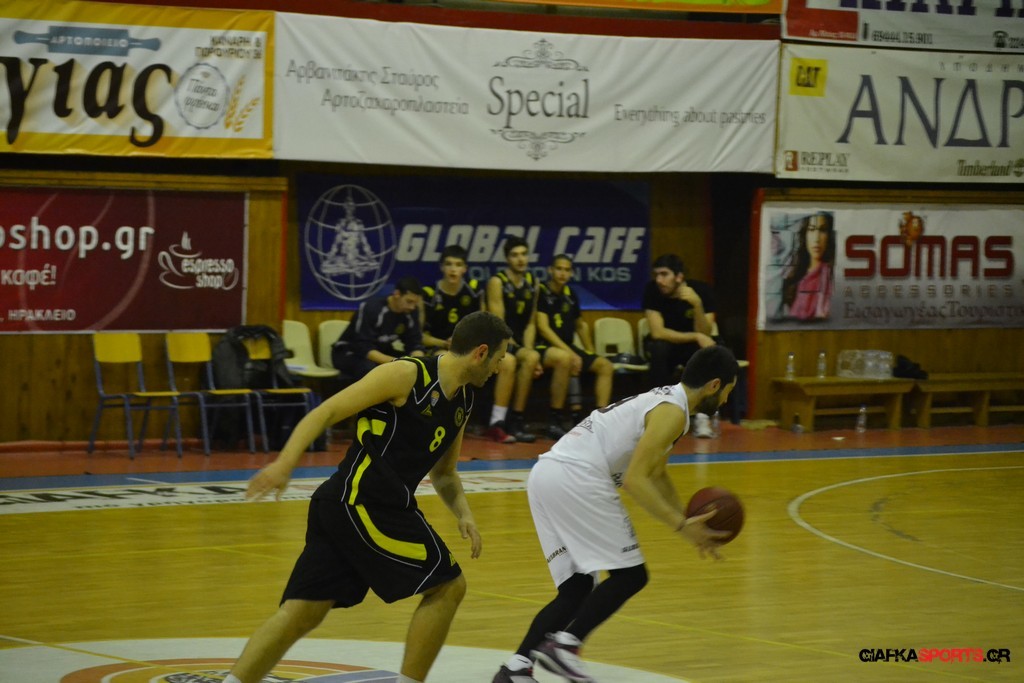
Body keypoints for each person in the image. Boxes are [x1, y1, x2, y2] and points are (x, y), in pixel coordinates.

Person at [225, 311, 514, 683]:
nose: (500, 368)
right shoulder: (406, 374)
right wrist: (284, 463)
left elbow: (444, 473)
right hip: (362, 503)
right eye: (500, 358)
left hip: (348, 506)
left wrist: (464, 513)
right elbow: (326, 411)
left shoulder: (463, 401)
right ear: (481, 352)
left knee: (302, 613)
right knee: (448, 586)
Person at [492, 345, 739, 683]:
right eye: (728, 391)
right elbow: (636, 480)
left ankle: (516, 668)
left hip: (547, 474)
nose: (726, 400)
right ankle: (566, 646)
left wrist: (687, 520)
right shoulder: (672, 412)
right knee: (631, 576)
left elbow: (657, 474)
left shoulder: (666, 401)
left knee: (577, 588)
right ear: (714, 385)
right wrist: (681, 525)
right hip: (578, 477)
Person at [535, 254, 614, 435]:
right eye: (559, 269)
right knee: (566, 359)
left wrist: (590, 351)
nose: (562, 273)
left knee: (605, 366)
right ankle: (555, 419)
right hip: (544, 346)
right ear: (550, 270)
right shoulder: (541, 292)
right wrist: (571, 353)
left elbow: (580, 325)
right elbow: (543, 328)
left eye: (567, 270)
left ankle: (600, 420)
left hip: (568, 346)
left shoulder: (571, 294)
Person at [642, 254, 718, 437]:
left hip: (693, 346)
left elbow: (705, 332)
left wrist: (697, 305)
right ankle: (659, 413)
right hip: (669, 343)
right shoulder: (652, 290)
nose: (659, 280)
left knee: (710, 351)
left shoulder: (702, 291)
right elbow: (658, 332)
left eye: (664, 274)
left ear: (679, 277)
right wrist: (695, 336)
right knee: (658, 348)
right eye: (656, 275)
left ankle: (702, 416)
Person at [486, 236, 544, 443]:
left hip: (518, 343)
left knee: (532, 357)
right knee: (509, 362)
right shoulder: (497, 282)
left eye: (523, 254)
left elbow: (531, 324)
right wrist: (512, 348)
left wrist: (528, 350)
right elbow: (498, 323)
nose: (520, 259)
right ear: (507, 259)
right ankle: (497, 422)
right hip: (496, 341)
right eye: (515, 255)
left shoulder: (533, 283)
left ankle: (516, 420)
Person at [331, 276, 426, 382]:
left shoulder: (411, 312)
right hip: (349, 352)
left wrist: (419, 363)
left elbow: (414, 343)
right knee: (371, 369)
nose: (412, 307)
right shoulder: (371, 308)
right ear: (397, 294)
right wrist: (396, 362)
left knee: (416, 366)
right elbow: (363, 346)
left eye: (415, 303)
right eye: (409, 301)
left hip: (381, 350)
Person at [421, 245, 484, 355]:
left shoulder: (474, 291)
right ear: (441, 267)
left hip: (469, 345)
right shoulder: (428, 294)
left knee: (507, 361)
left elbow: (484, 326)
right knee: (447, 358)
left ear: (465, 269)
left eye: (458, 265)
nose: (453, 269)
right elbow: (418, 335)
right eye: (448, 264)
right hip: (438, 347)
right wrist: (445, 343)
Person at [782, 212, 834, 321]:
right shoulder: (795, 275)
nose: (817, 238)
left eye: (822, 230)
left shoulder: (831, 277)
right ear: (805, 234)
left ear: (829, 235)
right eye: (811, 229)